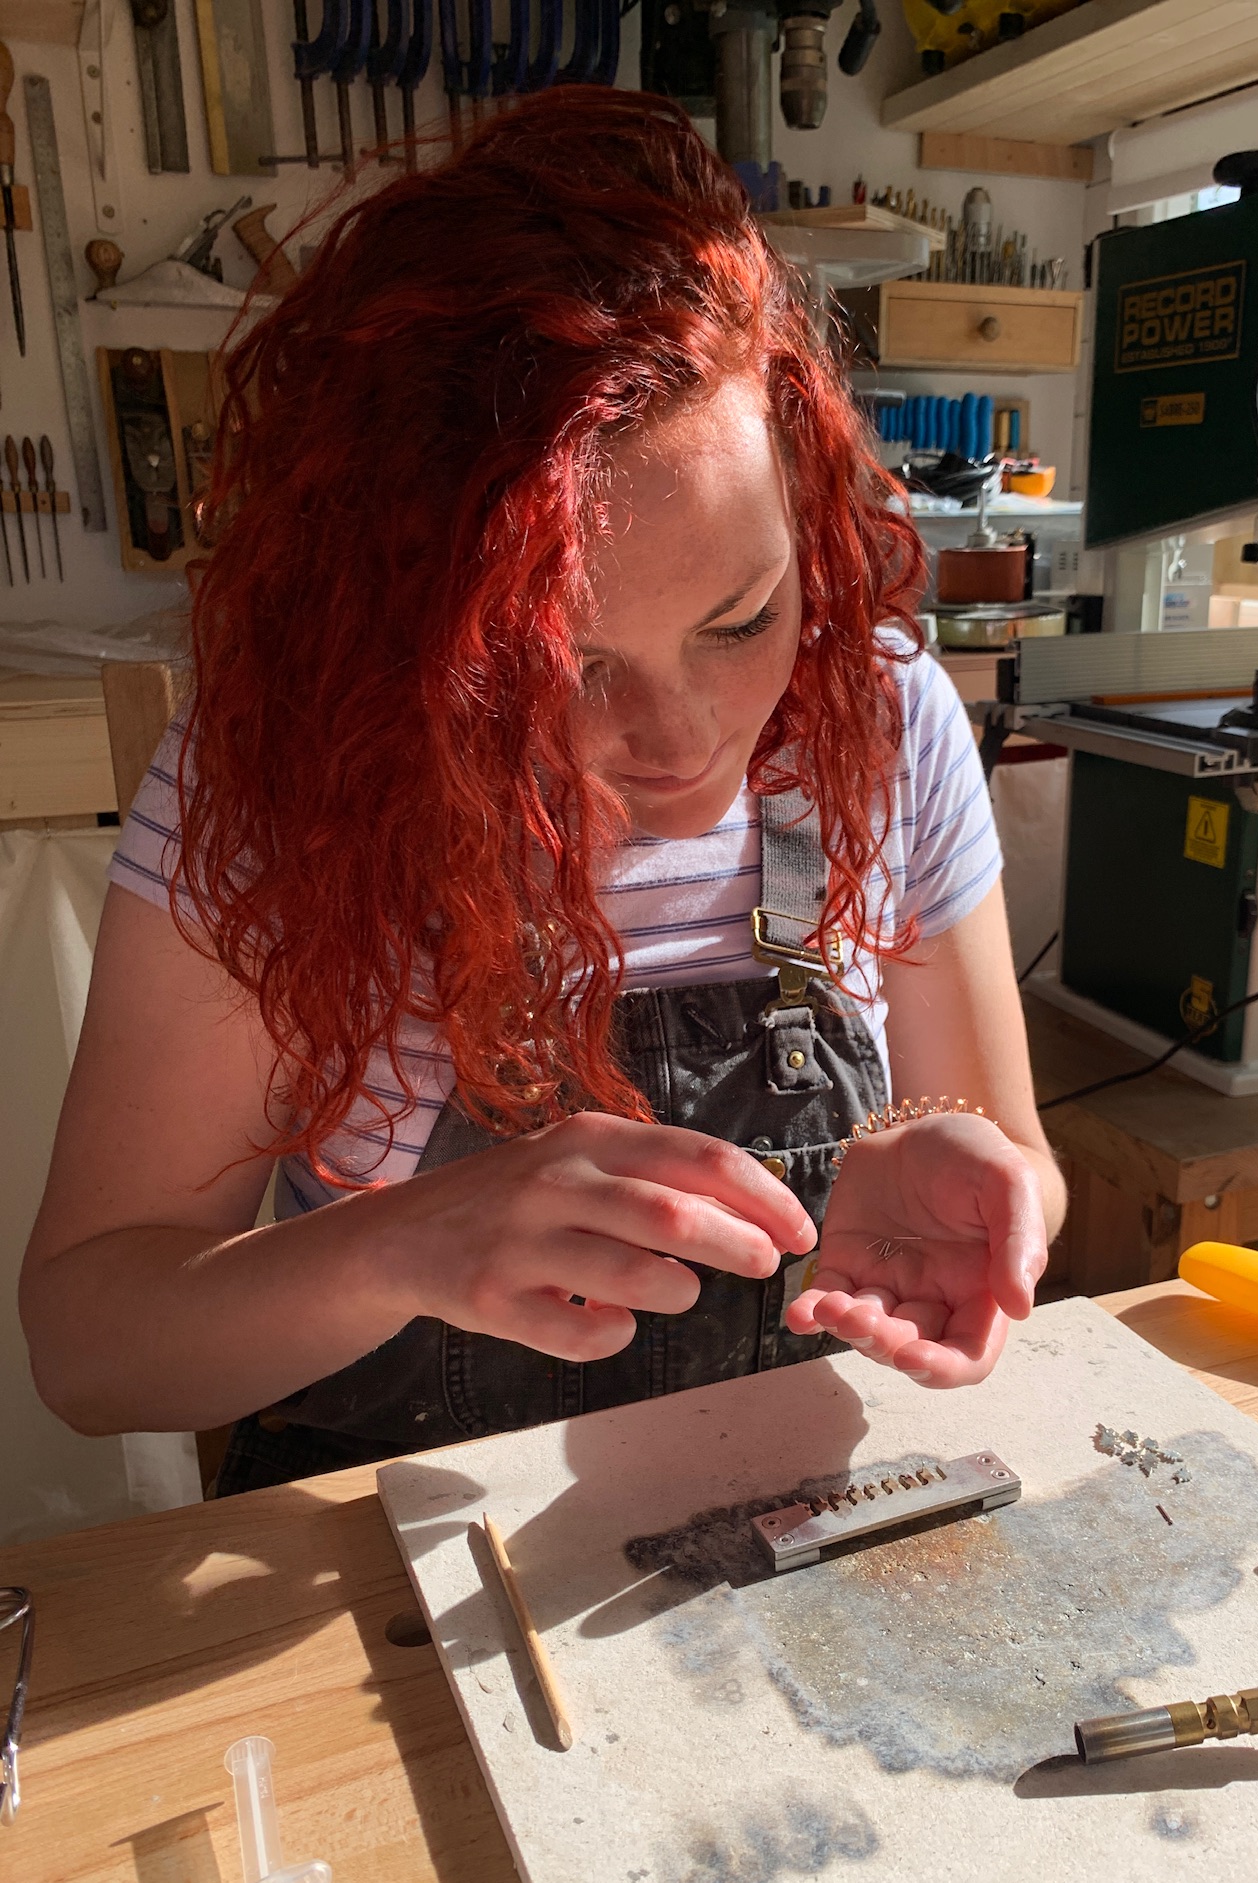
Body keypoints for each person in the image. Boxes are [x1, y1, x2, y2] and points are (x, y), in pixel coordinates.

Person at [21, 89, 1065, 1494]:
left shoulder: (875, 720)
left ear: (804, 508)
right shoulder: (281, 771)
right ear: (409, 623)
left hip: (779, 1526)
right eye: (561, 669)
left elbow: (1022, 1165)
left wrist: (949, 1184)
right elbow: (90, 1344)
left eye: (741, 617)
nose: (683, 739)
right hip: (390, 1559)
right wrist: (400, 1242)